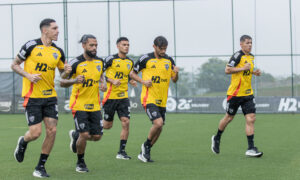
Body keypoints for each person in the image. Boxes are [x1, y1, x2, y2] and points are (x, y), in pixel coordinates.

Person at [11, 18, 71, 178]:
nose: (58, 31)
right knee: (35, 133)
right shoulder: (31, 45)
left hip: (50, 97)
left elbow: (63, 75)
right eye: (55, 28)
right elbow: (14, 64)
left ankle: (40, 167)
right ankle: (23, 142)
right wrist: (28, 75)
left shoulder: (58, 51)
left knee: (52, 130)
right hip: (33, 97)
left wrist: (66, 70)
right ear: (45, 30)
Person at [60, 34, 107, 173]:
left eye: (96, 45)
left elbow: (101, 75)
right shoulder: (76, 63)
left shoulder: (100, 62)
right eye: (91, 45)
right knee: (85, 135)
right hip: (79, 104)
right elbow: (62, 82)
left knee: (97, 137)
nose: (94, 48)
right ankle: (80, 163)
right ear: (84, 45)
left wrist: (102, 83)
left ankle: (76, 135)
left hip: (95, 105)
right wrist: (74, 80)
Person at [211, 35, 263, 157]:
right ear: (241, 44)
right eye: (247, 43)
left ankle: (250, 148)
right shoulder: (237, 55)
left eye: (251, 43)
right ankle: (217, 138)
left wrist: (254, 72)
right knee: (229, 118)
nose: (250, 45)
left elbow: (246, 71)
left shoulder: (251, 57)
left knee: (251, 118)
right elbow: (227, 70)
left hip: (248, 93)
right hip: (235, 94)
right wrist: (242, 68)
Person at [130, 36, 179, 162]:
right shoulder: (145, 59)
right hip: (149, 98)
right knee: (158, 123)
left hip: (162, 100)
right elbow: (132, 73)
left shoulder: (169, 60)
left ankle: (145, 151)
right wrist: (143, 81)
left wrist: (176, 73)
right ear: (154, 47)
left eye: (165, 49)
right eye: (161, 48)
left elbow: (174, 80)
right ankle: (146, 145)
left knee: (160, 127)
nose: (163, 51)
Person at [102, 37, 137, 160]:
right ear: (118, 46)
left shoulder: (130, 62)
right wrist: (110, 80)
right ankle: (79, 132)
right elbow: (97, 73)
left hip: (123, 97)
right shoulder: (110, 59)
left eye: (128, 44)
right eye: (124, 44)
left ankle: (121, 152)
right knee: (107, 126)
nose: (126, 47)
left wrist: (130, 80)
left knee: (126, 122)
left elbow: (125, 76)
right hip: (110, 97)